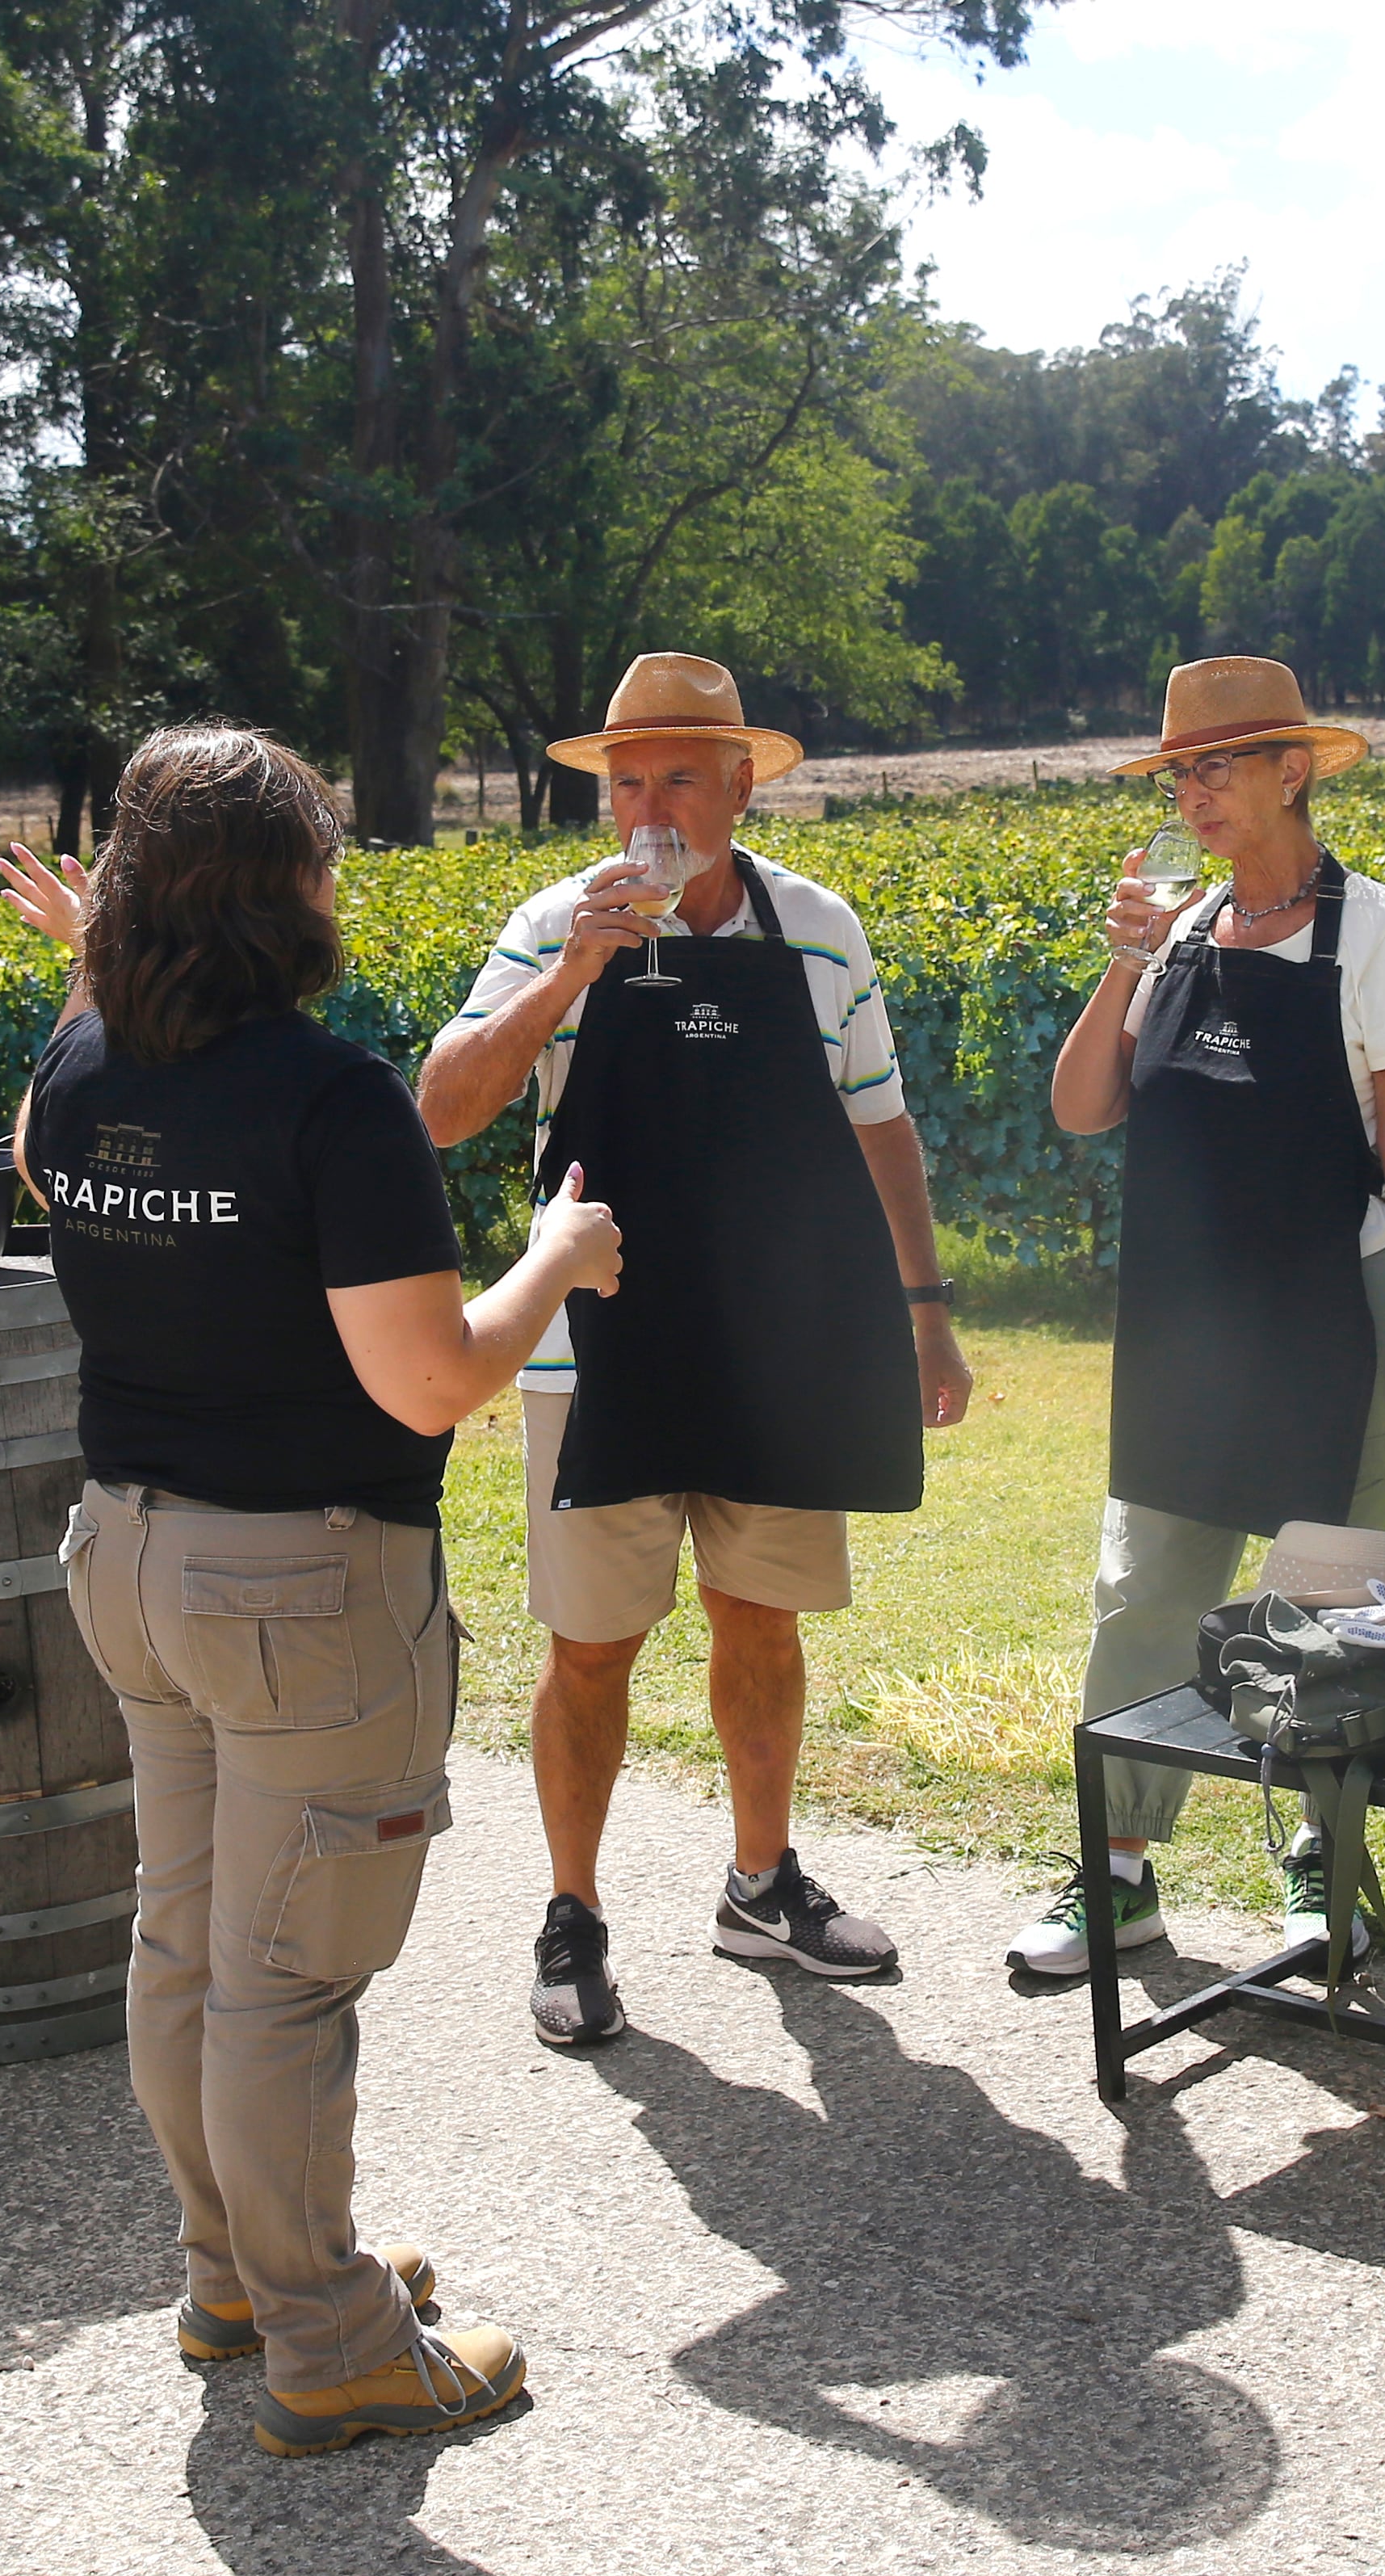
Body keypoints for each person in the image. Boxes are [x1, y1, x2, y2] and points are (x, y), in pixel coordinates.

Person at [1, 729, 623, 2460]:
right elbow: (428, 1383)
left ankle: (236, 2277)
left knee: (188, 1940)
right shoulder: (334, 1101)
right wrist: (554, 1260)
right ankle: (330, 2343)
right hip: (301, 1595)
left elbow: (50, 1167)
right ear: (292, 894)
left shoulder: (82, 1060)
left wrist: (90, 974)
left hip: (126, 1560)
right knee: (283, 1983)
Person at [417, 653, 975, 2048]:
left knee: (761, 1622)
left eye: (678, 776)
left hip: (776, 1345)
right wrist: (573, 973)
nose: (648, 809)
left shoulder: (818, 930)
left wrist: (924, 1311)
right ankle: (571, 1914)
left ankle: (759, 1885)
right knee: (590, 1648)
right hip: (591, 1348)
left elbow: (880, 1126)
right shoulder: (552, 922)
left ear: (741, 785)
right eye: (625, 782)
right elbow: (441, 1108)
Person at [1007, 657, 1385, 1979]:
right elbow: (1080, 1108)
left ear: (1295, 770)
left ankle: (1321, 1862)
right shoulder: (1174, 932)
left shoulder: (1380, 934)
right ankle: (1115, 1872)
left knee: (1329, 1596)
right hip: (1186, 1322)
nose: (1193, 792)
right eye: (1179, 771)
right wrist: (1120, 962)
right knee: (1143, 1596)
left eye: (1218, 765)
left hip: (1342, 1311)